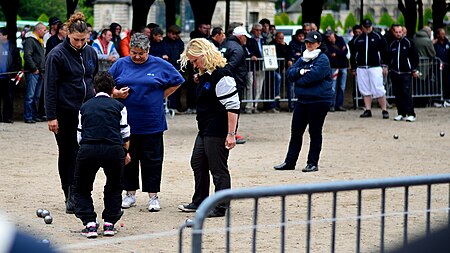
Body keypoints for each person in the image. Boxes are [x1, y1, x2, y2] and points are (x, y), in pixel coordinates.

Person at [109, 33, 184, 212]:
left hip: (152, 122)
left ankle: (153, 196)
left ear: (148, 50)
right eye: (134, 53)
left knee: (153, 160)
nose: (137, 56)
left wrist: (161, 95)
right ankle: (130, 194)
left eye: (141, 53)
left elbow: (178, 80)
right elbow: (105, 85)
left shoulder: (160, 64)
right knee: (128, 159)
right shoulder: (120, 64)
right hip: (126, 122)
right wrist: (116, 94)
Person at [177, 38, 240, 217]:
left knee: (218, 167)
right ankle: (200, 201)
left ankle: (220, 206)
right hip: (205, 127)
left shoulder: (223, 76)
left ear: (204, 55)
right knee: (198, 162)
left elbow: (233, 106)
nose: (194, 65)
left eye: (195, 61)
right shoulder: (207, 73)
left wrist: (231, 134)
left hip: (218, 128)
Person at [45, 12, 98, 214]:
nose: (79, 43)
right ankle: (70, 194)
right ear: (68, 34)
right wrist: (51, 116)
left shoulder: (91, 52)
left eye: (83, 40)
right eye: (76, 39)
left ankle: (82, 191)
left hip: (87, 110)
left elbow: (94, 79)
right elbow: (50, 87)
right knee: (68, 153)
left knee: (85, 153)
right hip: (65, 111)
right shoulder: (56, 55)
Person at [73, 71, 131, 239]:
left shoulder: (84, 107)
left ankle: (89, 223)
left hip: (89, 148)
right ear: (113, 89)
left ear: (93, 89)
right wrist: (125, 152)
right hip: (113, 149)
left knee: (82, 187)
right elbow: (125, 133)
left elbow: (79, 135)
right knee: (114, 186)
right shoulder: (120, 107)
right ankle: (109, 223)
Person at [273, 31, 332, 172]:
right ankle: (290, 162)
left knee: (315, 132)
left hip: (318, 101)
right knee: (296, 132)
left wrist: (300, 77)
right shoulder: (304, 58)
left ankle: (312, 162)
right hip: (303, 100)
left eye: (311, 42)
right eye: (307, 42)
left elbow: (312, 77)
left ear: (318, 44)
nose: (308, 45)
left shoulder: (322, 59)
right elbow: (290, 74)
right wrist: (301, 72)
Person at [349, 19, 389, 119]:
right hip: (361, 67)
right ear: (362, 27)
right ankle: (368, 109)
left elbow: (385, 51)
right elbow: (353, 54)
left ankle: (384, 109)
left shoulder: (378, 37)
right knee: (364, 89)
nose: (368, 28)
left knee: (378, 88)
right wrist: (354, 67)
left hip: (375, 66)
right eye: (365, 27)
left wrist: (385, 65)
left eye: (369, 26)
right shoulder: (357, 39)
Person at [219, 26, 249, 144]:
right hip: (234, 83)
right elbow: (231, 66)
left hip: (223, 82)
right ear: (241, 37)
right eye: (245, 37)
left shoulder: (224, 45)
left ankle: (226, 132)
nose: (245, 39)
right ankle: (232, 133)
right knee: (234, 108)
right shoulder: (237, 48)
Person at [387, 24, 419, 122]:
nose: (398, 34)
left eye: (400, 32)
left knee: (406, 93)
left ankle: (411, 114)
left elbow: (415, 57)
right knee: (397, 94)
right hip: (395, 72)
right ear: (393, 32)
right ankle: (401, 113)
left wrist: (413, 69)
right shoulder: (392, 44)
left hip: (406, 72)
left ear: (403, 32)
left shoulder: (409, 42)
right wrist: (390, 68)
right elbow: (389, 58)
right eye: (396, 32)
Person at [23, 22, 46, 123]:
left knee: (36, 96)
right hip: (33, 72)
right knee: (30, 95)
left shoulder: (39, 40)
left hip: (39, 72)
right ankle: (28, 116)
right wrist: (34, 68)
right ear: (39, 30)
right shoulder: (31, 40)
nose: (45, 32)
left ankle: (33, 115)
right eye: (44, 30)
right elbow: (27, 55)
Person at [0, 27, 21, 123]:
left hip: (8, 77)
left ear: (5, 36)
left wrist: (15, 72)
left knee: (8, 98)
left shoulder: (12, 47)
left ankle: (7, 117)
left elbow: (17, 60)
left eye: (0, 35)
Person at [244, 23, 266, 114]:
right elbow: (246, 49)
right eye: (256, 30)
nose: (258, 32)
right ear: (253, 30)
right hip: (251, 66)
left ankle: (255, 105)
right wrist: (251, 55)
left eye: (260, 30)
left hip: (261, 65)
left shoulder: (262, 40)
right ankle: (248, 106)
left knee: (259, 87)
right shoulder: (249, 39)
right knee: (250, 86)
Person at [325, 30, 349, 112]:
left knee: (342, 86)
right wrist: (340, 52)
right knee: (333, 87)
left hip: (343, 65)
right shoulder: (326, 44)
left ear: (333, 35)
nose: (328, 38)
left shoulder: (340, 39)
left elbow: (345, 51)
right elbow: (329, 55)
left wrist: (336, 53)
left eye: (329, 36)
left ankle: (339, 105)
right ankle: (331, 105)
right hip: (334, 66)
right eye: (327, 36)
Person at [163, 25, 184, 112]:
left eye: (176, 34)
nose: (174, 36)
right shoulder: (164, 42)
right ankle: (168, 106)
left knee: (177, 87)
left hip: (177, 66)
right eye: (173, 34)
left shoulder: (179, 42)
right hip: (167, 67)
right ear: (168, 33)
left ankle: (176, 106)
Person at [433, 28, 450, 102]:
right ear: (438, 35)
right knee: (439, 82)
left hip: (447, 66)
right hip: (438, 66)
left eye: (444, 34)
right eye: (442, 34)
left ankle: (447, 97)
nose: (443, 35)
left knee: (448, 81)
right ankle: (440, 97)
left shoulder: (447, 43)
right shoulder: (435, 44)